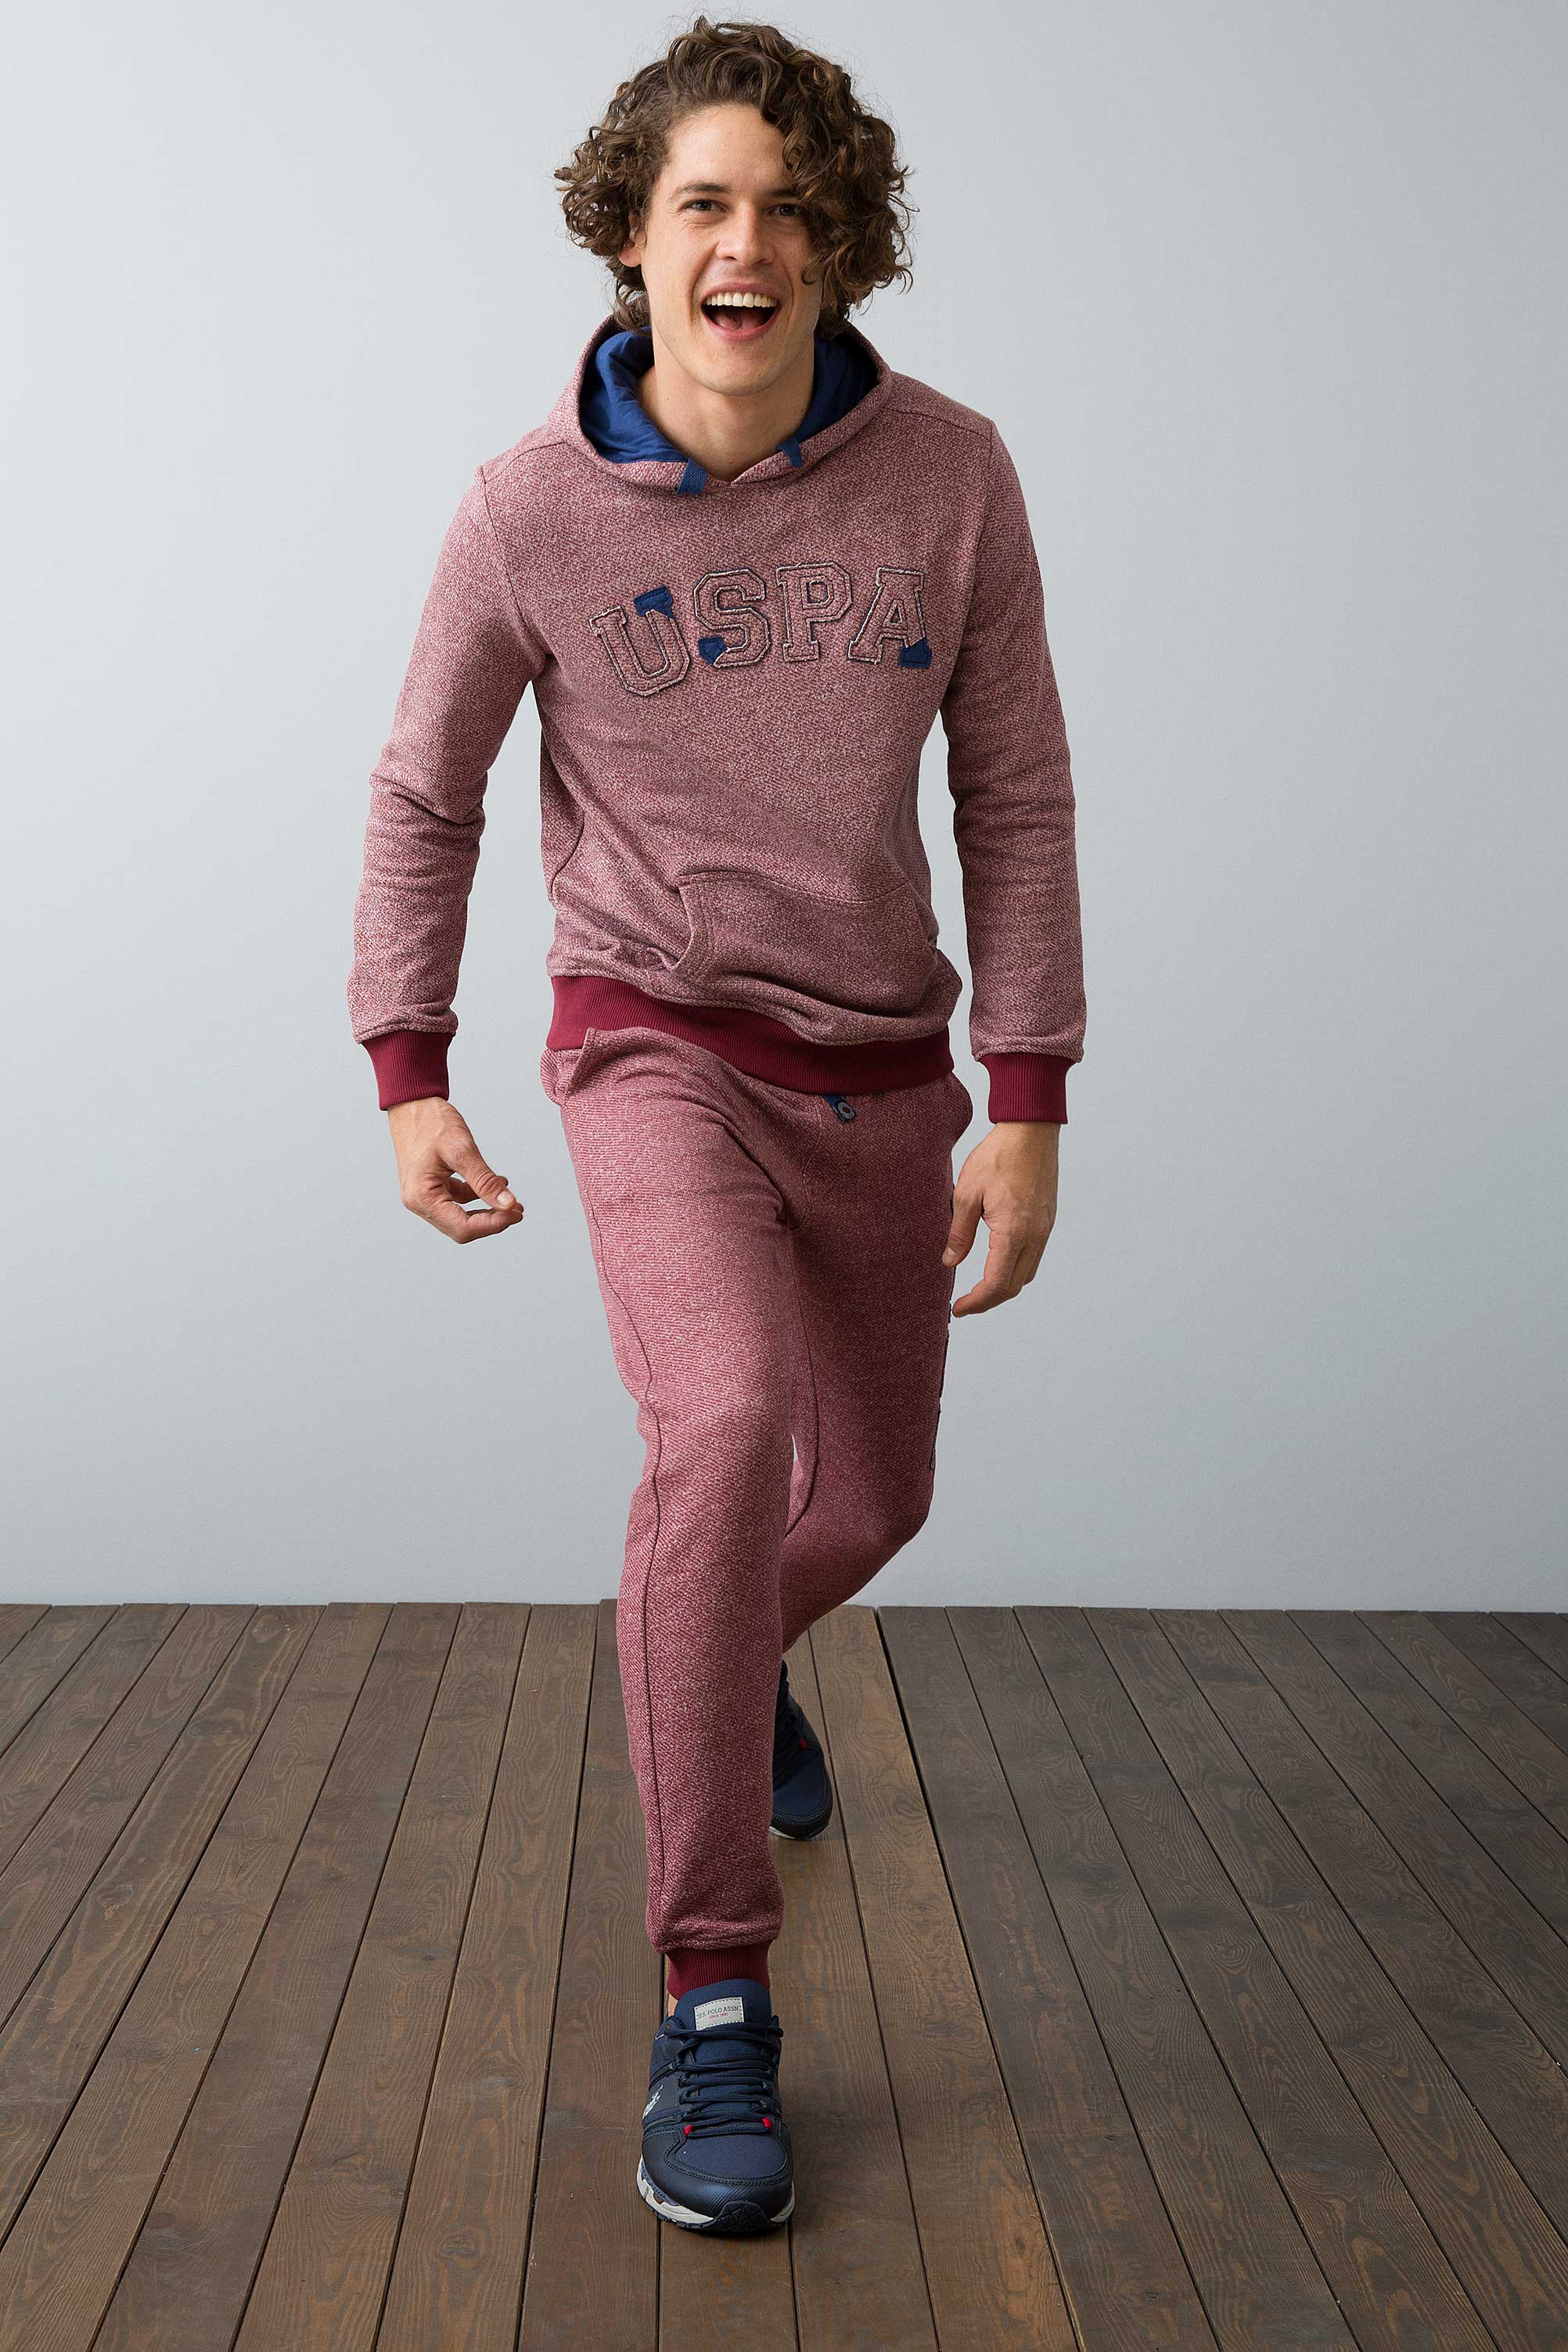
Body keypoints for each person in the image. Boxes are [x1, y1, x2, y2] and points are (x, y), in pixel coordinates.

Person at [347, 15, 1085, 2238]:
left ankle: (718, 1653)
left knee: (875, 1498)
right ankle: (713, 1996)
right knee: (726, 1428)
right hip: (650, 1043)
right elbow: (424, 792)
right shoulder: (526, 509)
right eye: (702, 204)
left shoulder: (954, 476)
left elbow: (1015, 794)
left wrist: (1029, 1092)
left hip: (889, 1067)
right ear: (632, 238)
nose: (744, 243)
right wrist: (407, 1063)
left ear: (838, 245)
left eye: (786, 207)